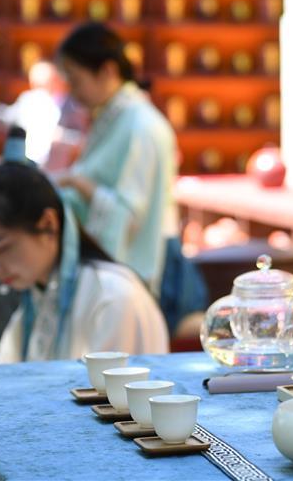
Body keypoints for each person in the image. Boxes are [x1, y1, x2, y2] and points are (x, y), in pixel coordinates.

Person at [53, 22, 205, 332]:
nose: (73, 91)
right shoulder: (113, 119)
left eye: (76, 79)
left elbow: (130, 213)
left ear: (107, 71)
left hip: (153, 257)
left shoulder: (141, 125)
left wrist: (76, 183)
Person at [0, 159, 169, 362]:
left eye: (0, 247)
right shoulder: (36, 300)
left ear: (48, 225)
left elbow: (115, 395)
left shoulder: (113, 296)